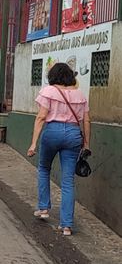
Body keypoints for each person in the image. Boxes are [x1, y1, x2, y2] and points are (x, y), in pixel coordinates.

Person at [27, 61, 91, 236]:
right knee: (68, 180)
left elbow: (41, 117)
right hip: (73, 134)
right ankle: (67, 226)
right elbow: (86, 121)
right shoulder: (80, 95)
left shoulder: (48, 91)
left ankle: (43, 208)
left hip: (52, 132)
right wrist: (86, 144)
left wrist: (33, 143)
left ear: (52, 76)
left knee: (44, 169)